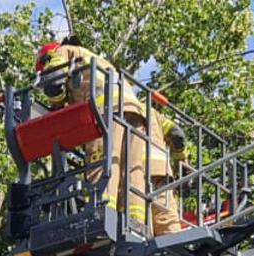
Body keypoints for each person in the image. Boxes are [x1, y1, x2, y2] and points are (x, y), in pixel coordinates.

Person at [35, 37, 184, 236]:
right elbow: (177, 134)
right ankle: (136, 225)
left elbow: (53, 81)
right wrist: (182, 161)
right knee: (133, 172)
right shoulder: (100, 61)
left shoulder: (65, 51)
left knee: (103, 161)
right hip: (134, 114)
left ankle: (101, 214)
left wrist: (56, 105)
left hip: (105, 110)